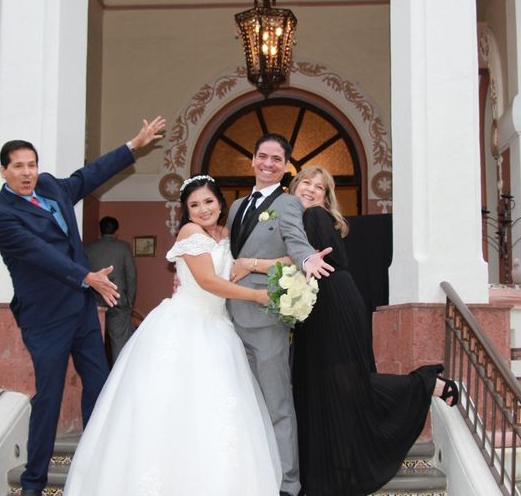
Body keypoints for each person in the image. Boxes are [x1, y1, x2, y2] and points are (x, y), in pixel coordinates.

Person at [234, 165, 459, 496]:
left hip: (333, 305)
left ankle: (427, 384)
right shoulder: (297, 220)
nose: (310, 190)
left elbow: (303, 261)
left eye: (319, 187)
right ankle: (334, 472)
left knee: (348, 384)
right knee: (326, 388)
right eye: (305, 183)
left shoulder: (314, 217)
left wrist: (249, 263)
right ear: (293, 186)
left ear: (327, 197)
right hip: (319, 307)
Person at [64, 175, 282, 495]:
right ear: (186, 210)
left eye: (208, 201)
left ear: (221, 202)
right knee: (170, 410)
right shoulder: (190, 232)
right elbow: (208, 281)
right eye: (194, 205)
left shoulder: (227, 234)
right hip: (185, 325)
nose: (203, 209)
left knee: (218, 415)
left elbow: (242, 265)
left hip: (218, 327)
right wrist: (259, 297)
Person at [0, 116, 166, 496]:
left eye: (31, 164)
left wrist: (132, 145)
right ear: (4, 171)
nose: (27, 172)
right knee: (49, 398)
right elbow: (40, 254)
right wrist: (86, 277)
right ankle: (33, 483)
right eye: (18, 166)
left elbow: (88, 176)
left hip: (81, 309)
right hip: (45, 317)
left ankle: (96, 464)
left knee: (98, 385)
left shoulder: (50, 185)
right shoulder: (0, 215)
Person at [226, 134, 334, 496]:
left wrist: (307, 259)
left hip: (265, 319)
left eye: (276, 159)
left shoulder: (288, 203)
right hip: (228, 318)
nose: (268, 164)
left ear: (286, 165)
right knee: (243, 404)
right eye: (262, 157)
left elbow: (295, 240)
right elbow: (226, 251)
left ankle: (289, 484)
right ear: (253, 160)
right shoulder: (237, 205)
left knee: (277, 406)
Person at [84, 215, 137, 366]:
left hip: (95, 302)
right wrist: (130, 300)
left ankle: (99, 378)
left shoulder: (88, 249)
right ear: (117, 231)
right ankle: (117, 379)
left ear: (100, 231)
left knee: (94, 343)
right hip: (119, 300)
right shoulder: (124, 247)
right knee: (119, 343)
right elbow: (131, 275)